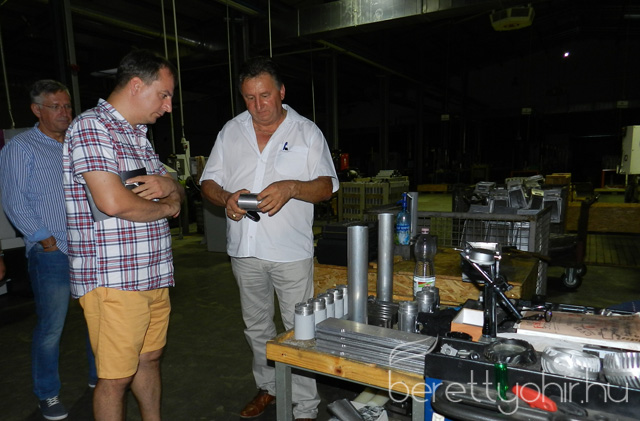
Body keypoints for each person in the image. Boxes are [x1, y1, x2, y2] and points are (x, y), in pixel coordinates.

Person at [200, 56, 338, 421]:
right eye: (249, 97)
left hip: (290, 252)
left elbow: (326, 187)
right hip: (245, 250)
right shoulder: (231, 131)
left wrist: (291, 187)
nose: (258, 105)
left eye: (264, 95)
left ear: (281, 92)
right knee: (257, 326)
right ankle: (269, 387)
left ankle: (305, 406)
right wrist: (226, 198)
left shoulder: (306, 132)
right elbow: (208, 181)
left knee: (299, 330)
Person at [63, 50, 184, 421]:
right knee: (115, 378)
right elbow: (113, 202)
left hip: (152, 273)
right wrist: (169, 207)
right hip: (114, 280)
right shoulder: (92, 127)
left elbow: (173, 187)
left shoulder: (139, 137)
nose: (168, 106)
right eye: (163, 95)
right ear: (136, 86)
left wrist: (171, 188)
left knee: (149, 359)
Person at [0, 79, 97, 420]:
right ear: (36, 110)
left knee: (96, 319)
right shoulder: (20, 148)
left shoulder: (76, 144)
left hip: (88, 249)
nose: (64, 112)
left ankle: (98, 378)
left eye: (67, 106)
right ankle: (48, 394)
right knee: (51, 328)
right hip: (52, 254)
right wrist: (46, 240)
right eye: (56, 107)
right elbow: (14, 201)